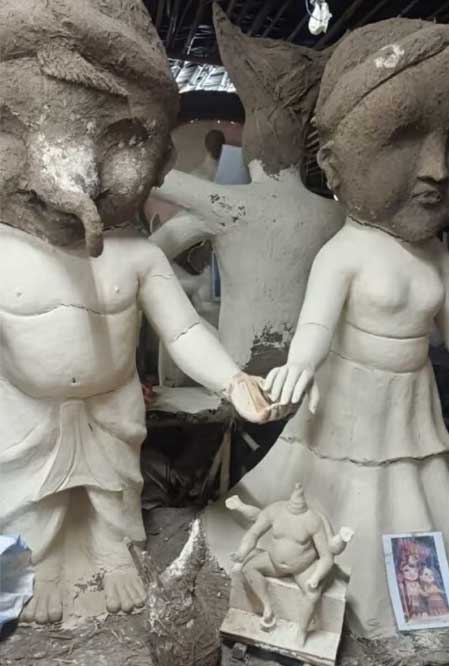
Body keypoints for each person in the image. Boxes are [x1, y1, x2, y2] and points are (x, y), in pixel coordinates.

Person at [224, 18, 449, 639]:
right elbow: (316, 324)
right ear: (334, 160)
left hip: (411, 398)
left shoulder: (438, 257)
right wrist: (300, 363)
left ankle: (417, 588)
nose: (436, 170)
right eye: (404, 139)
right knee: (351, 489)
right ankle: (351, 586)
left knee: (414, 490)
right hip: (350, 397)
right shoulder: (344, 252)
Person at [0, 0, 271, 625]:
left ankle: (111, 550)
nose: (74, 177)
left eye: (121, 140)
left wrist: (231, 378)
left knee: (115, 494)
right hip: (23, 413)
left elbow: (184, 328)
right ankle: (36, 559)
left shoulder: (138, 256)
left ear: (161, 159)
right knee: (27, 503)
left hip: (111, 407)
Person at [231, 483, 350, 645]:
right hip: (273, 562)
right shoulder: (275, 510)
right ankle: (267, 607)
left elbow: (326, 557)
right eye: (293, 503)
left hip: (303, 568)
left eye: (299, 504)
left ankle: (302, 631)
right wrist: (242, 552)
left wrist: (316, 577)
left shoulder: (313, 520)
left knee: (312, 594)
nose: (296, 506)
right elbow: (254, 533)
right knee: (249, 568)